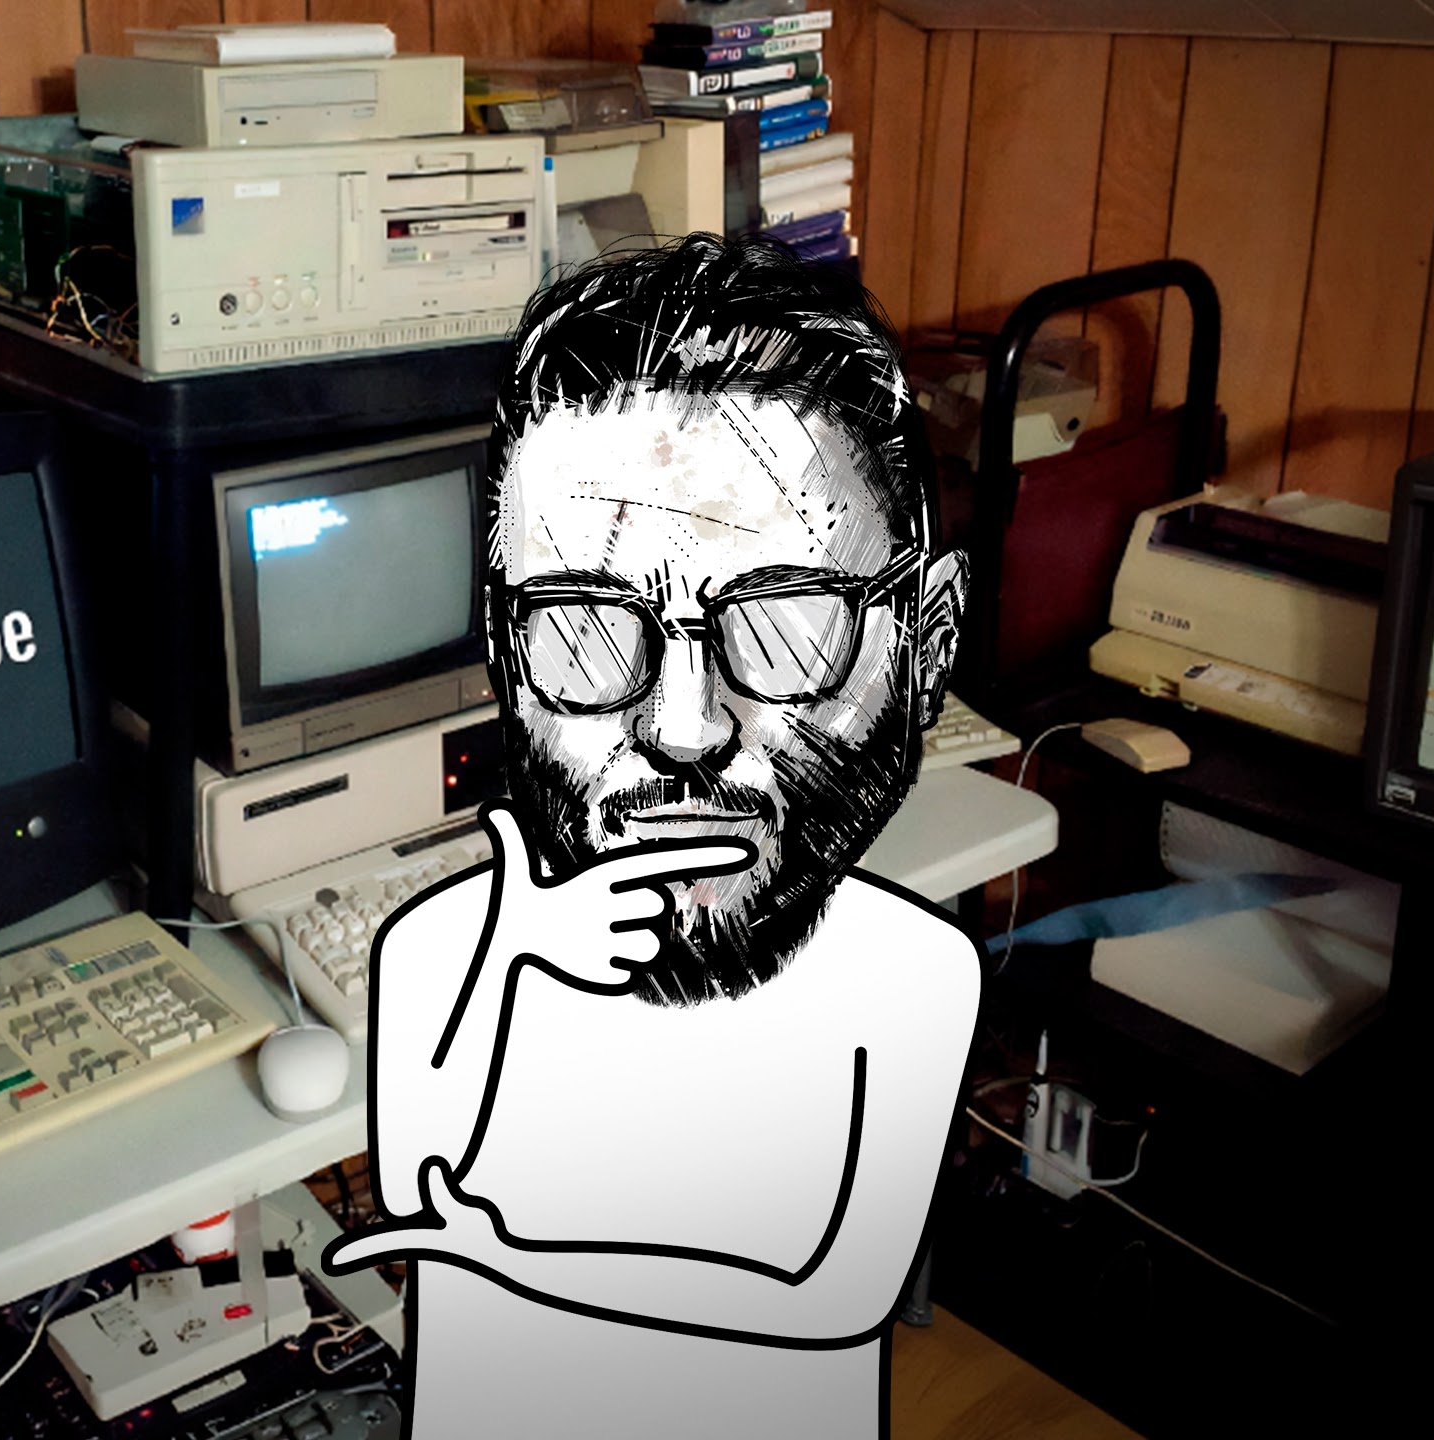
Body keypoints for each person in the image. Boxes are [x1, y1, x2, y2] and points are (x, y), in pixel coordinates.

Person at [324, 235, 982, 1436]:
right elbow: (425, 1193)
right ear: (501, 645)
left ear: (928, 640)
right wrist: (506, 965)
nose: (682, 727)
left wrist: (514, 1259)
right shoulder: (449, 955)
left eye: (784, 623)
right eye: (583, 625)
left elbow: (832, 1299)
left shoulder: (913, 979)